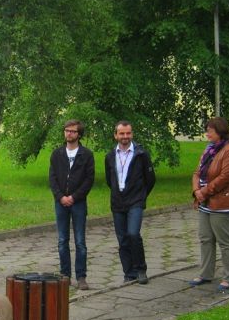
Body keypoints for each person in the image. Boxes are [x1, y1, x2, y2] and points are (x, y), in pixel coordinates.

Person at [189, 117, 229, 292]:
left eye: (210, 131)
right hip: (205, 201)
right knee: (205, 238)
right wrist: (196, 190)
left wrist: (203, 192)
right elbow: (197, 172)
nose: (207, 134)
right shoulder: (209, 149)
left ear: (220, 131)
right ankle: (206, 274)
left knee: (225, 241)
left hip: (223, 202)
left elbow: (225, 178)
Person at [104, 120, 156, 284]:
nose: (125, 136)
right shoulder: (110, 156)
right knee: (123, 239)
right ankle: (129, 272)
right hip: (118, 202)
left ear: (132, 134)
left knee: (133, 234)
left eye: (128, 133)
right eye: (122, 133)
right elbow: (109, 180)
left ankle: (141, 269)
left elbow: (150, 179)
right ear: (116, 135)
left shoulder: (141, 154)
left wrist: (141, 196)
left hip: (135, 201)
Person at [48, 120, 95, 290]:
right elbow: (52, 178)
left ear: (79, 134)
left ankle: (81, 277)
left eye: (73, 131)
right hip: (60, 202)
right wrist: (61, 197)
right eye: (67, 130)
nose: (69, 133)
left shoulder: (86, 155)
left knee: (80, 241)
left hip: (78, 203)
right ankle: (65, 275)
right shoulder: (57, 154)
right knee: (62, 240)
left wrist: (74, 197)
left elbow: (89, 179)